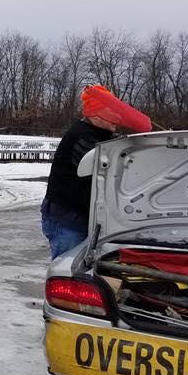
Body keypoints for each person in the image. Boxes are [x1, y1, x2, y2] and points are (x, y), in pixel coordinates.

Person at [40, 85, 151, 259]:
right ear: (95, 114)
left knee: (84, 273)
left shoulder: (98, 135)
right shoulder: (83, 137)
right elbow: (108, 170)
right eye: (111, 114)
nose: (117, 120)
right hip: (68, 220)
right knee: (69, 272)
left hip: (80, 218)